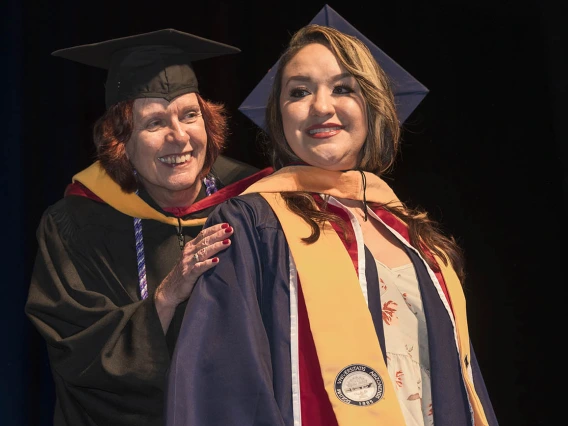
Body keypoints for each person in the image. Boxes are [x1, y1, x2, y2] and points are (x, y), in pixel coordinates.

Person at [165, 24, 499, 426]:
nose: (321, 107)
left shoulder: (415, 237)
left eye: (343, 88)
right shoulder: (252, 225)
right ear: (279, 116)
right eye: (299, 92)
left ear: (372, 106)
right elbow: (224, 388)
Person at [24, 28, 273, 426]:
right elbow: (76, 352)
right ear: (121, 141)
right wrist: (166, 297)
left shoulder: (257, 204)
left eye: (190, 116)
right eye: (155, 123)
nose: (179, 137)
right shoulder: (75, 224)